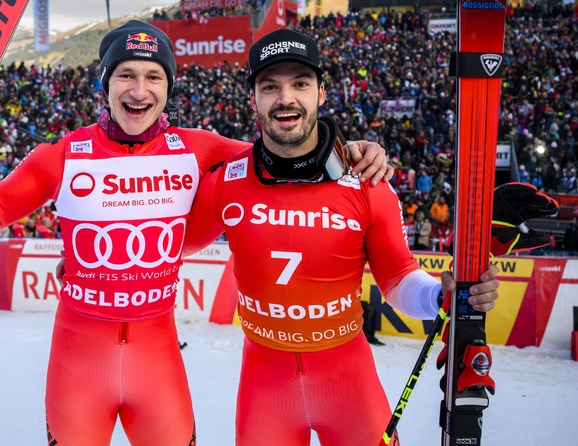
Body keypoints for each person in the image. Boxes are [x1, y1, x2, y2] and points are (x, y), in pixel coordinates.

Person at [0, 18, 391, 446]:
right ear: (105, 83)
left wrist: (356, 150)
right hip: (79, 364)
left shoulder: (200, 149)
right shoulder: (62, 154)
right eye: (126, 74)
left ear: (168, 88)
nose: (139, 90)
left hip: (157, 363)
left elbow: (287, 147)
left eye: (153, 77)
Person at [182, 29, 500, 446]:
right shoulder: (227, 181)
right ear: (253, 98)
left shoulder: (366, 180)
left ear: (322, 92)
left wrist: (440, 297)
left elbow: (398, 276)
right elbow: (172, 245)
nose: (286, 98)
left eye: (300, 83)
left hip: (347, 382)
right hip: (266, 389)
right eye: (270, 86)